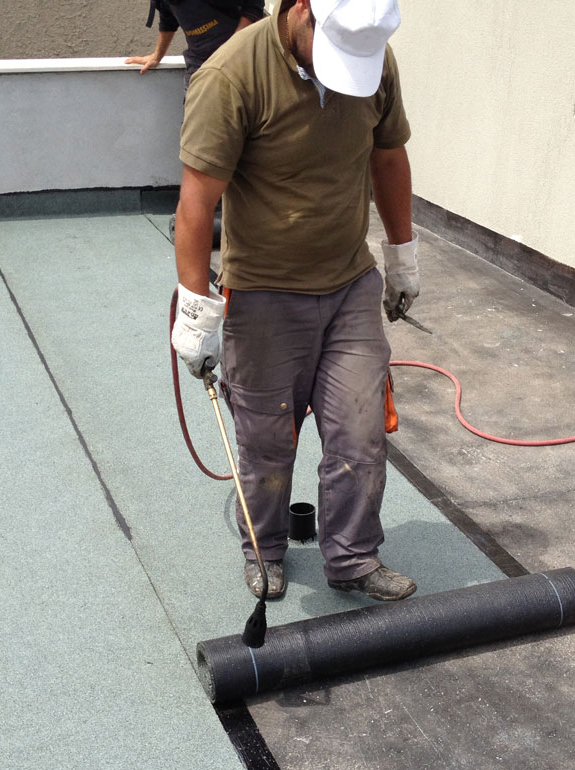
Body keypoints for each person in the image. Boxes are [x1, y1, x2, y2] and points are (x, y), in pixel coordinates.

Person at [170, 0, 421, 603]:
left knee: (361, 433)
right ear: (303, 7)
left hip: (349, 283)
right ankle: (264, 549)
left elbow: (389, 157)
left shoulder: (373, 57)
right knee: (266, 441)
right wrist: (195, 312)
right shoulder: (231, 75)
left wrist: (402, 255)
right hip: (263, 295)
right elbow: (197, 202)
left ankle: (353, 557)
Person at [126, 0, 267, 86]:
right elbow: (168, 19)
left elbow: (253, 5)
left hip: (244, 67)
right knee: (194, 125)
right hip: (199, 69)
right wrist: (157, 56)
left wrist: (234, 46)